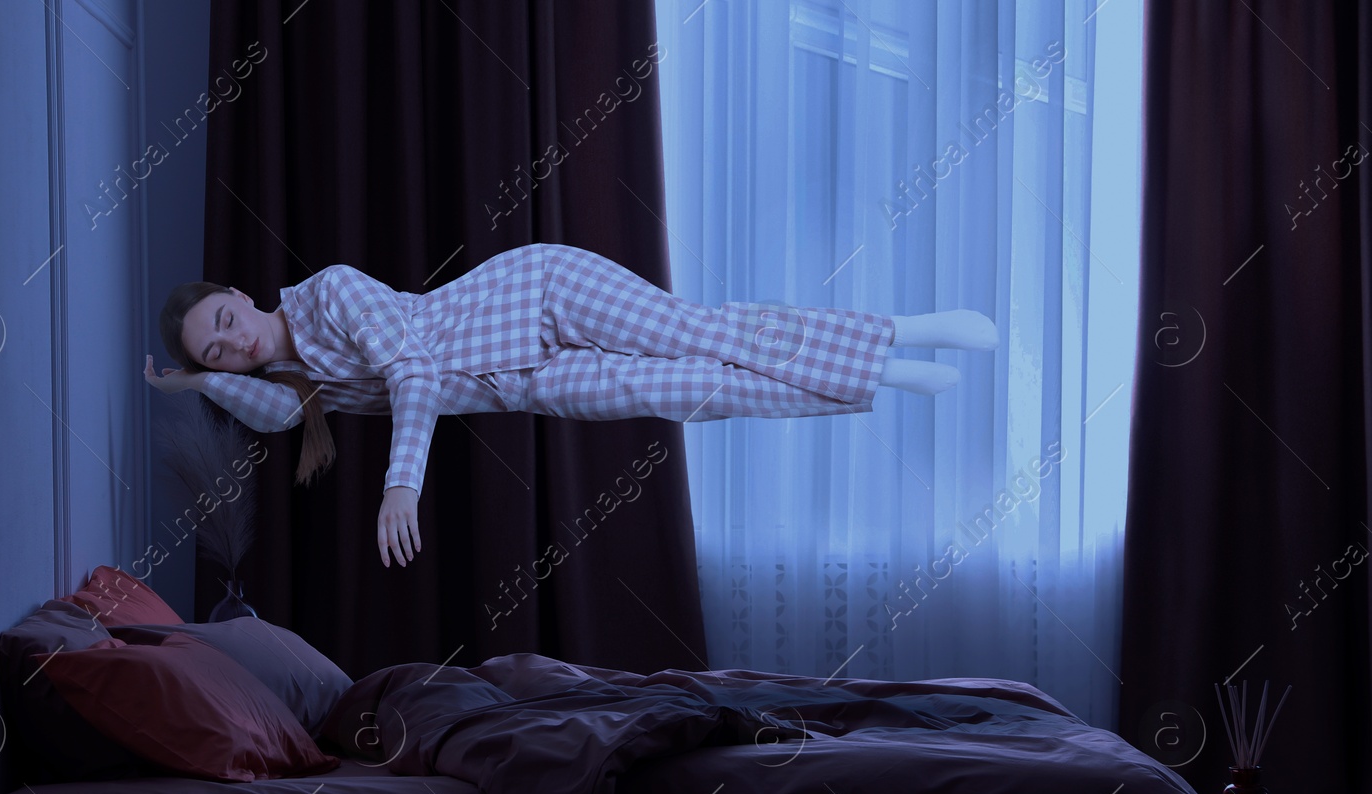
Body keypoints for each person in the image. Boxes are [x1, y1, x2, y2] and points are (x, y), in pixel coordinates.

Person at [146, 243, 997, 569]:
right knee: (703, 393)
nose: (232, 343)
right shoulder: (304, 383)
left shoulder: (329, 293)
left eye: (224, 324)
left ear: (238, 292)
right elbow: (281, 420)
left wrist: (400, 484)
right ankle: (880, 375)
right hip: (525, 379)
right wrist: (198, 382)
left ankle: (900, 329)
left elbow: (411, 368)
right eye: (216, 348)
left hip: (538, 295)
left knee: (699, 334)